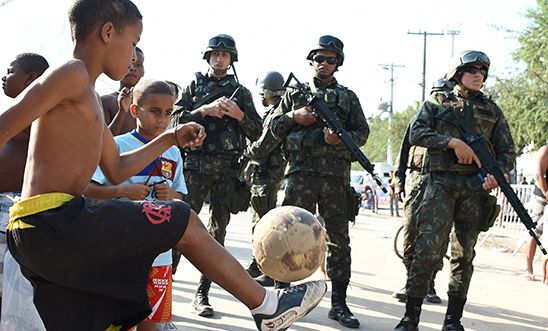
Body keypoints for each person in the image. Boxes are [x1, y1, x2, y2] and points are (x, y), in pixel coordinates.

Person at [0, 1, 326, 330]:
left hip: (58, 224)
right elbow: (6, 124)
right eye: (134, 43)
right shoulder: (71, 73)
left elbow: (116, 167)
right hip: (48, 220)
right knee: (183, 221)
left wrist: (170, 138)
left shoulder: (87, 96)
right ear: (108, 33)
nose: (133, 56)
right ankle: (266, 305)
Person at [395, 50, 516, 331]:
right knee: (428, 251)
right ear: (457, 73)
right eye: (472, 69)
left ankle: (453, 320)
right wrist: (453, 143)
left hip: (474, 191)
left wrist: (495, 174)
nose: (478, 74)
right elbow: (417, 133)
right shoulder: (438, 102)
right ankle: (410, 317)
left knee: (464, 255)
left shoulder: (492, 110)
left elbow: (506, 151)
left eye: (483, 71)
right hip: (441, 186)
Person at [269, 35, 369, 329]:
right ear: (311, 60)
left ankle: (339, 303)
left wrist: (338, 141)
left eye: (331, 59)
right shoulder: (294, 94)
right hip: (300, 175)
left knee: (339, 241)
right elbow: (272, 128)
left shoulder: (348, 98)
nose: (324, 64)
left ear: (338, 64)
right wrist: (292, 116)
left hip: (335, 179)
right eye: (320, 58)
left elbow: (361, 134)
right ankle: (281, 296)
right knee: (288, 236)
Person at [170, 33, 262, 317]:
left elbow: (258, 132)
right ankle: (165, 289)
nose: (219, 58)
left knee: (216, 234)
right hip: (195, 168)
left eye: (225, 55)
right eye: (215, 54)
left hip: (227, 170)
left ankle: (203, 294)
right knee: (177, 226)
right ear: (208, 57)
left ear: (231, 59)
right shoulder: (194, 86)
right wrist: (202, 111)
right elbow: (173, 119)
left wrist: (239, 116)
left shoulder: (241, 93)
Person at [84, 79, 186, 331]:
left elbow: (181, 197)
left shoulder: (173, 152)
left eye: (168, 113)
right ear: (134, 111)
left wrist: (171, 195)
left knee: (152, 323)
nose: (162, 119)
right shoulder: (117, 146)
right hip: (120, 250)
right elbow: (88, 192)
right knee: (119, 322)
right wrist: (121, 191)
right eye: (154, 111)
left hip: (159, 254)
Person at [391, 79, 456, 306]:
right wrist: (398, 180)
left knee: (438, 236)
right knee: (411, 230)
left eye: (447, 95)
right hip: (417, 180)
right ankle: (410, 281)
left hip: (441, 180)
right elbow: (404, 151)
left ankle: (429, 284)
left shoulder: (454, 124)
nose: (443, 99)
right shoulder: (419, 119)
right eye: (440, 94)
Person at [0, 52, 49, 330]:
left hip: (14, 208)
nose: (4, 77)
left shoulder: (36, 116)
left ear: (31, 79)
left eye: (10, 71)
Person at [243, 71, 287, 287]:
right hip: (267, 175)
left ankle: (269, 270)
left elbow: (261, 148)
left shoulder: (277, 113)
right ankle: (259, 264)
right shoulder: (275, 111)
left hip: (268, 176)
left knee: (265, 226)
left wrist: (246, 150)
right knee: (260, 222)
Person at [101, 46, 145, 135]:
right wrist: (121, 112)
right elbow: (104, 141)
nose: (133, 68)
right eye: (129, 63)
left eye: (138, 64)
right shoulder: (106, 101)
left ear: (143, 71)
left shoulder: (149, 102)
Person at [524, 144, 548, 281]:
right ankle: (529, 268)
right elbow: (539, 175)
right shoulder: (545, 151)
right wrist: (546, 194)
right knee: (535, 231)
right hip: (541, 194)